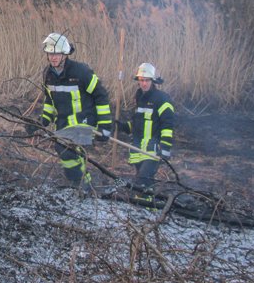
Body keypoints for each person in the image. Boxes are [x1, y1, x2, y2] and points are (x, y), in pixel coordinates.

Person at [27, 33, 113, 191]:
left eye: (57, 54)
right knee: (69, 154)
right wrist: (42, 121)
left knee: (66, 150)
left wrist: (105, 125)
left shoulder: (81, 72)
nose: (53, 57)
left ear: (65, 54)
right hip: (63, 124)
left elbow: (101, 95)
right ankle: (85, 185)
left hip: (84, 122)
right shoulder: (48, 75)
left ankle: (79, 185)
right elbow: (50, 101)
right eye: (50, 54)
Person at [117, 63, 175, 192]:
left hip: (153, 149)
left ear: (153, 80)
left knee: (143, 180)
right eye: (141, 80)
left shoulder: (162, 99)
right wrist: (122, 127)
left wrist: (165, 147)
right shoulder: (139, 97)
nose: (144, 84)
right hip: (138, 148)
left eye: (147, 80)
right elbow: (138, 124)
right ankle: (143, 200)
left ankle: (146, 202)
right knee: (141, 181)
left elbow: (167, 125)